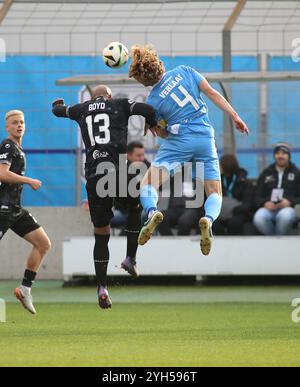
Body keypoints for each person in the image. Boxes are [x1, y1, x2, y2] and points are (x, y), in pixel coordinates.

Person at [129, 44, 249, 255]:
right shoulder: (185, 71)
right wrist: (235, 116)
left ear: (143, 80)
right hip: (204, 136)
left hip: (179, 140)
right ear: (159, 63)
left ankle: (151, 212)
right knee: (214, 192)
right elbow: (211, 93)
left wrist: (160, 128)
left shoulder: (152, 102)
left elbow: (163, 134)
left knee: (148, 184)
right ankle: (208, 220)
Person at [52, 85, 157, 309]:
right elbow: (147, 109)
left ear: (92, 98)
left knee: (102, 233)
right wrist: (151, 122)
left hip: (94, 175)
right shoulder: (119, 104)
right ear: (109, 96)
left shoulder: (81, 109)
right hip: (117, 170)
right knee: (135, 207)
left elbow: (59, 111)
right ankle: (130, 258)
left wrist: (57, 106)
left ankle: (102, 286)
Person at [0, 110, 51, 314]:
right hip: (2, 209)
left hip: (15, 209)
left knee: (43, 244)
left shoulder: (19, 148)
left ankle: (25, 289)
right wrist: (29, 181)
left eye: (21, 122)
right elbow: (2, 174)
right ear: (7, 127)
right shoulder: (7, 145)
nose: (19, 125)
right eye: (14, 123)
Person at [253, 143, 300, 235]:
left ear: (289, 156)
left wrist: (290, 202)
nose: (280, 156)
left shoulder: (297, 174)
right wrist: (265, 203)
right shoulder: (266, 173)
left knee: (285, 217)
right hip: (268, 208)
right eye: (277, 153)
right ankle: (274, 240)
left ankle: (277, 242)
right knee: (259, 218)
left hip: (288, 208)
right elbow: (256, 196)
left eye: (284, 153)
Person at [111, 141, 150, 229]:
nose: (142, 158)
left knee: (145, 216)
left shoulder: (147, 165)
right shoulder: (120, 167)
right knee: (105, 219)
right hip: (123, 211)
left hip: (142, 209)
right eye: (139, 156)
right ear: (129, 155)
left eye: (143, 155)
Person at [213, 154, 254, 235]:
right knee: (213, 223)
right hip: (220, 212)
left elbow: (248, 203)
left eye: (220, 165)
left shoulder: (244, 182)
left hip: (238, 212)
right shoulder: (217, 181)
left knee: (235, 222)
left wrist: (233, 209)